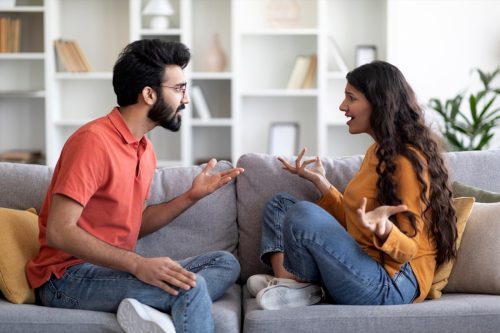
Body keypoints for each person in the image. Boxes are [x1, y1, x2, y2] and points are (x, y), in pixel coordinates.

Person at [26, 39, 244, 333]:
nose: (186, 99)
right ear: (149, 94)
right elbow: (59, 231)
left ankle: (149, 308)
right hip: (67, 278)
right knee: (190, 289)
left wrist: (192, 196)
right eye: (179, 89)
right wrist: (137, 264)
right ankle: (164, 302)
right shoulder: (93, 142)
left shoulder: (144, 149)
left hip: (111, 272)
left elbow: (135, 222)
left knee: (225, 262)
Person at [247, 60, 457, 310]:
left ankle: (294, 286)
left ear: (379, 103)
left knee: (303, 213)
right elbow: (354, 219)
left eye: (351, 98)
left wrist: (384, 231)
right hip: (363, 264)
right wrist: (322, 183)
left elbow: (409, 250)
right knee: (280, 204)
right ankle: (294, 286)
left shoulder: (406, 162)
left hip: (392, 284)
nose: (342, 106)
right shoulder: (376, 152)